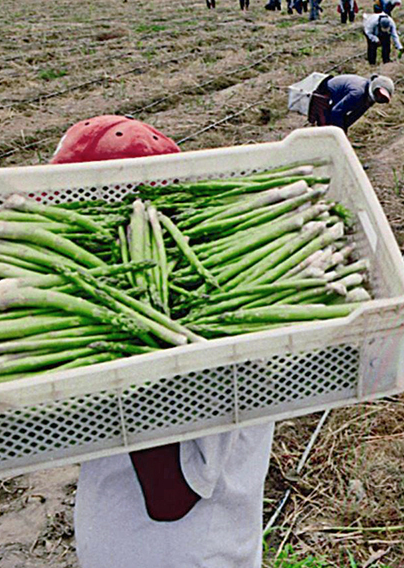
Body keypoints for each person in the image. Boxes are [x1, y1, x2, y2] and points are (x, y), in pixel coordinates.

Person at [61, 115, 274, 568]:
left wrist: (125, 353)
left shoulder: (206, 331)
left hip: (185, 554)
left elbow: (171, 498)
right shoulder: (143, 298)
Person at [307, 74, 394, 133]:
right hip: (323, 94)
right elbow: (336, 111)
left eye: (382, 98)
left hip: (335, 100)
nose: (379, 98)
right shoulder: (358, 93)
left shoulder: (368, 99)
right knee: (325, 129)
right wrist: (340, 133)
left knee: (334, 130)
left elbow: (355, 115)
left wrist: (344, 129)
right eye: (379, 94)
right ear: (374, 88)